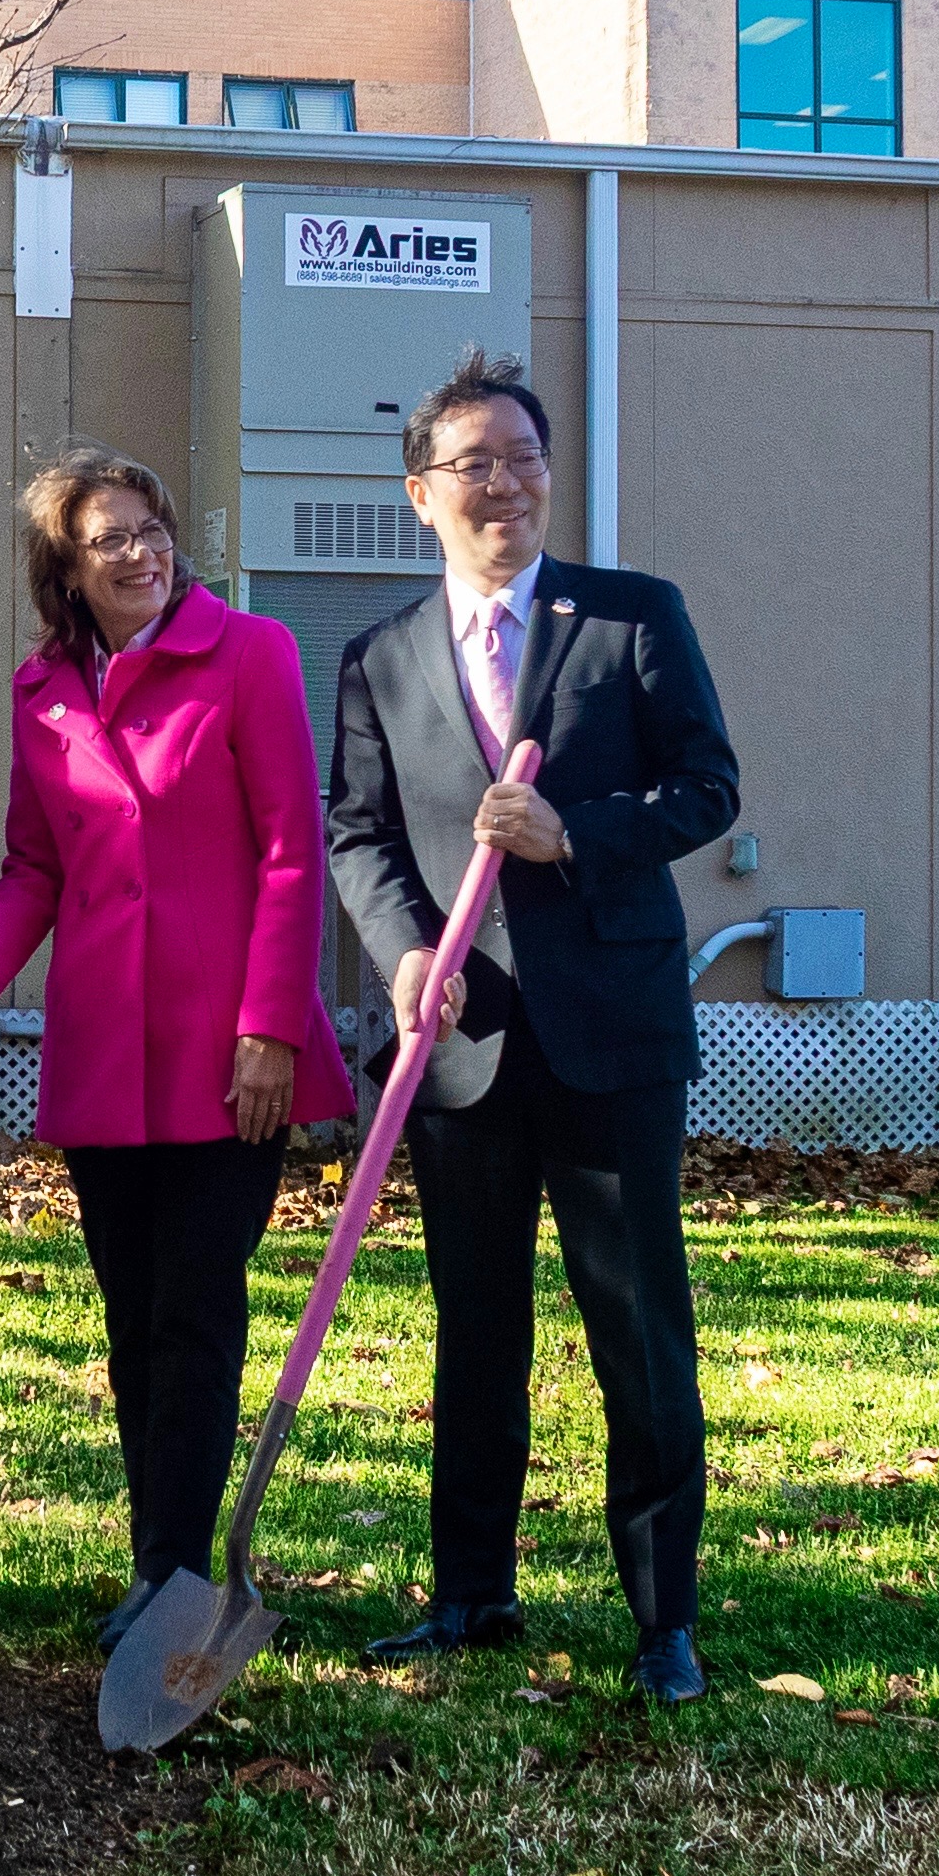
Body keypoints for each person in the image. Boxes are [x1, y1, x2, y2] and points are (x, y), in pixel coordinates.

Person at [323, 347, 742, 1703]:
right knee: (476, 1326)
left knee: (637, 1326)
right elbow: (357, 834)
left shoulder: (630, 617)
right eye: (475, 464)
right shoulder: (381, 657)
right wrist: (402, 952)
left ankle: (664, 1618)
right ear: (421, 492)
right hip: (464, 1041)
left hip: (611, 1033)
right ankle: (470, 1593)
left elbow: (707, 786)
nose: (504, 484)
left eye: (524, 458)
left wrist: (579, 833)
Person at [0, 448, 350, 1634]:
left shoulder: (252, 653)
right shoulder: (42, 690)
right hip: (106, 1050)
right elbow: (38, 864)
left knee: (195, 1309)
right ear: (65, 566)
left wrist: (269, 1028)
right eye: (112, 537)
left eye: (154, 528)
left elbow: (292, 853)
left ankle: (176, 1570)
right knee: (131, 1313)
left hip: (228, 1051)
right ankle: (158, 1558)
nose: (143, 552)